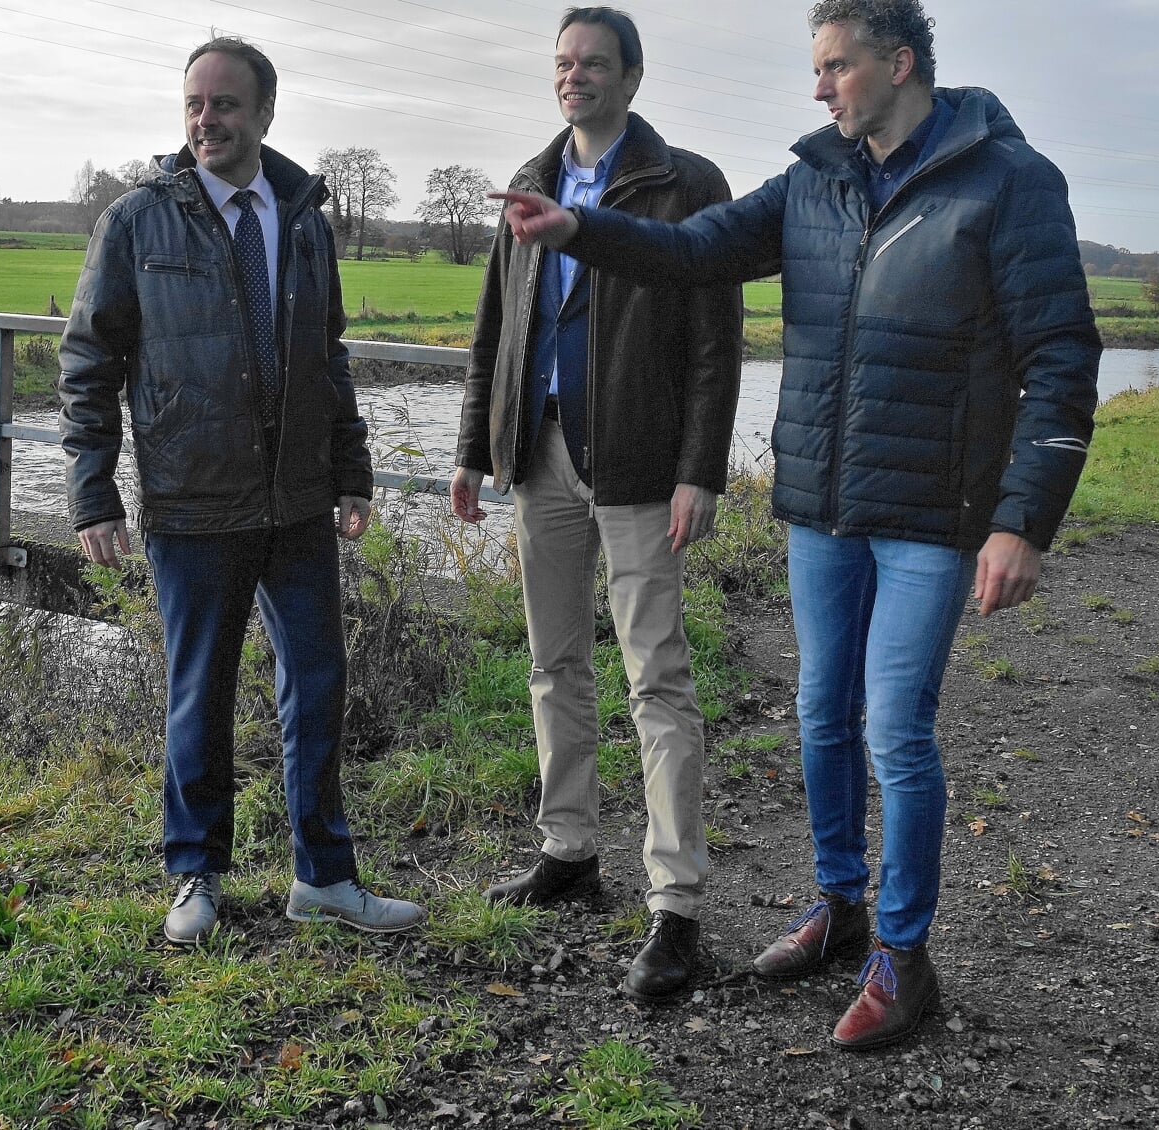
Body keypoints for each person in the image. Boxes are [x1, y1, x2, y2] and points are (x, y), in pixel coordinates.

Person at [493, 0, 1100, 1049]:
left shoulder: (1009, 181)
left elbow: (1061, 357)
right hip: (823, 502)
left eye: (836, 67)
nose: (818, 88)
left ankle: (904, 958)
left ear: (899, 62)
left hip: (932, 509)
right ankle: (839, 905)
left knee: (893, 729)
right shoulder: (816, 176)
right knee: (821, 715)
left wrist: (1023, 521)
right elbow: (696, 251)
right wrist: (581, 227)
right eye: (815, 69)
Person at [57, 36, 425, 945]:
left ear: (264, 113)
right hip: (192, 499)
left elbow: (328, 358)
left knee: (317, 688)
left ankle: (326, 878)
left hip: (297, 500)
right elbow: (89, 360)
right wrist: (92, 491)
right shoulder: (140, 219)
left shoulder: (303, 218)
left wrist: (351, 472)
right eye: (194, 103)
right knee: (200, 694)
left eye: (225, 104)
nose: (206, 119)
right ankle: (194, 876)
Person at [450, 6, 742, 1004]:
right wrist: (470, 449)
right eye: (563, 63)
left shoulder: (685, 184)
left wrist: (702, 466)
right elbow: (495, 326)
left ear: (632, 76)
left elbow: (715, 341)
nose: (574, 76)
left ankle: (678, 901)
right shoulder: (527, 184)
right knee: (552, 662)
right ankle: (568, 850)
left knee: (655, 674)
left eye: (594, 63)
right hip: (537, 460)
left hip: (639, 465)